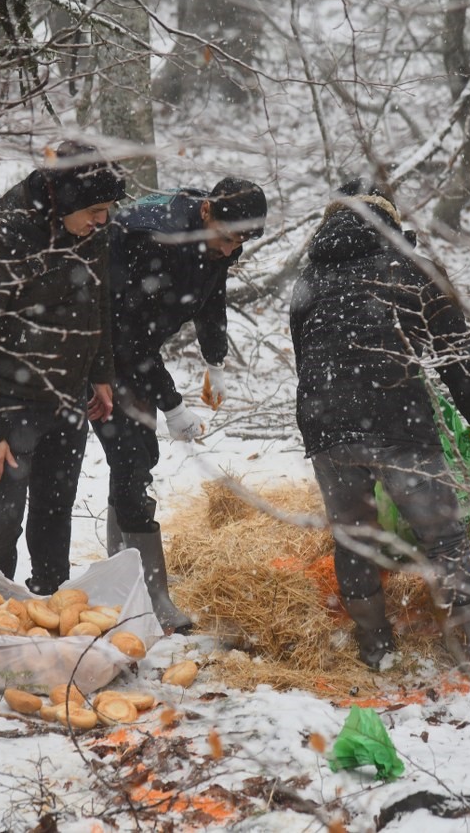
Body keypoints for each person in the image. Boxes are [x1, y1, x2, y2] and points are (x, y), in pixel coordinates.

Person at [289, 178, 470, 693]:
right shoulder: (411, 271)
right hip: (396, 419)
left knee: (355, 537)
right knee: (446, 540)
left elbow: (308, 359)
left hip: (325, 421)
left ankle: (377, 650)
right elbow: (458, 353)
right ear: (391, 224)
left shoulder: (308, 281)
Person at [0, 140, 126, 595]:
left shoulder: (91, 230)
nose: (103, 220)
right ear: (63, 199)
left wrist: (101, 371)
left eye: (107, 209)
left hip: (68, 397)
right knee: (0, 525)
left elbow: (98, 300)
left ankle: (50, 603)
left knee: (54, 514)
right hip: (9, 402)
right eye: (95, 209)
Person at [94, 177, 268, 633]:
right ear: (207, 211)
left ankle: (123, 575)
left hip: (135, 349)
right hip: (97, 346)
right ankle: (151, 597)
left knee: (135, 459)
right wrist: (172, 404)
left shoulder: (215, 242)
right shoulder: (150, 238)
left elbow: (212, 297)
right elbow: (129, 336)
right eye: (228, 239)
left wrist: (216, 361)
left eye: (240, 244)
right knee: (131, 457)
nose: (231, 251)